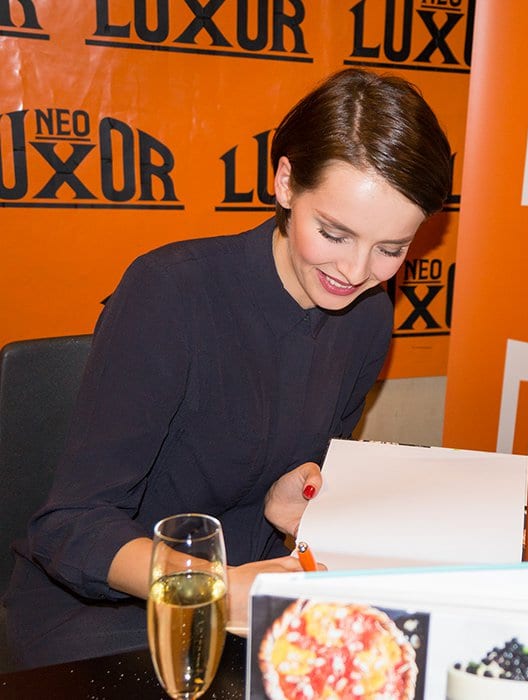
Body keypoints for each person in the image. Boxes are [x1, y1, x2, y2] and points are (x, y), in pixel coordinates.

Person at [2, 68, 452, 669]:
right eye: (334, 234)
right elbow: (69, 526)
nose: (355, 271)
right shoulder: (170, 293)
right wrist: (211, 585)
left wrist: (284, 500)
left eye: (390, 250)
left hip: (251, 598)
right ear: (285, 182)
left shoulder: (368, 318)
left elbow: (274, 478)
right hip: (110, 620)